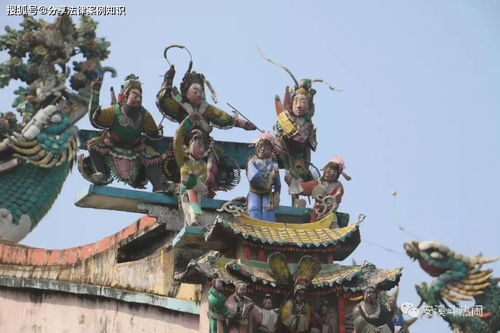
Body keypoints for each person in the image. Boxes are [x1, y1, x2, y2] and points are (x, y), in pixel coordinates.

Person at [157, 65, 256, 197]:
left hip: (205, 144)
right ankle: (179, 186)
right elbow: (165, 100)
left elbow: (223, 117)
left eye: (200, 91)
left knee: (212, 164)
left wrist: (243, 124)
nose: (199, 94)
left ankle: (207, 188)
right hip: (184, 144)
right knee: (176, 165)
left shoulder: (207, 109)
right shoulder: (180, 107)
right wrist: (168, 81)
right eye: (195, 91)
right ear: (186, 93)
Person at [86, 75, 172, 192]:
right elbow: (95, 119)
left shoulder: (144, 114)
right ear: (126, 96)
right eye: (135, 95)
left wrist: (156, 132)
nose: (138, 99)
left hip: (135, 148)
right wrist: (95, 94)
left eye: (140, 97)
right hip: (112, 144)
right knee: (93, 145)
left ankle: (158, 185)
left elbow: (153, 133)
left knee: (155, 157)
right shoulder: (114, 111)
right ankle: (103, 174)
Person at [274, 80, 317, 198]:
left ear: (309, 107)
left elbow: (311, 144)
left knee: (299, 175)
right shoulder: (285, 117)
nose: (298, 105)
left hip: (299, 155)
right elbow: (282, 129)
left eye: (303, 102)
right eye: (296, 101)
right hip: (283, 150)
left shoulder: (308, 124)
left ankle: (297, 198)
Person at [289, 156, 350, 223]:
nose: (328, 171)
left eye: (332, 170)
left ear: (338, 174)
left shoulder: (338, 185)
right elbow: (300, 187)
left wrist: (335, 197)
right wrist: (293, 174)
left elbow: (337, 197)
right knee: (320, 189)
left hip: (330, 215)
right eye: (327, 169)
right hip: (317, 214)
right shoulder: (317, 183)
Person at [173, 118, 210, 225]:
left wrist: (195, 181)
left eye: (203, 147)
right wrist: (185, 123)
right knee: (187, 205)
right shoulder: (184, 161)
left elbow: (204, 177)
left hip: (197, 189)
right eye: (197, 146)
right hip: (185, 189)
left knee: (196, 200)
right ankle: (192, 222)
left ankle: (194, 220)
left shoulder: (203, 165)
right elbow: (177, 142)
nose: (201, 150)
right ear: (189, 148)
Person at [246, 132, 281, 221]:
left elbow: (277, 182)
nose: (262, 149)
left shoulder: (274, 164)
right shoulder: (252, 161)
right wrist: (270, 176)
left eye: (266, 147)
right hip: (255, 191)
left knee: (268, 210)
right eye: (260, 147)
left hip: (268, 193)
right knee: (254, 208)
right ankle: (254, 224)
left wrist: (276, 192)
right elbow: (253, 176)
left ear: (271, 150)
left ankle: (268, 226)